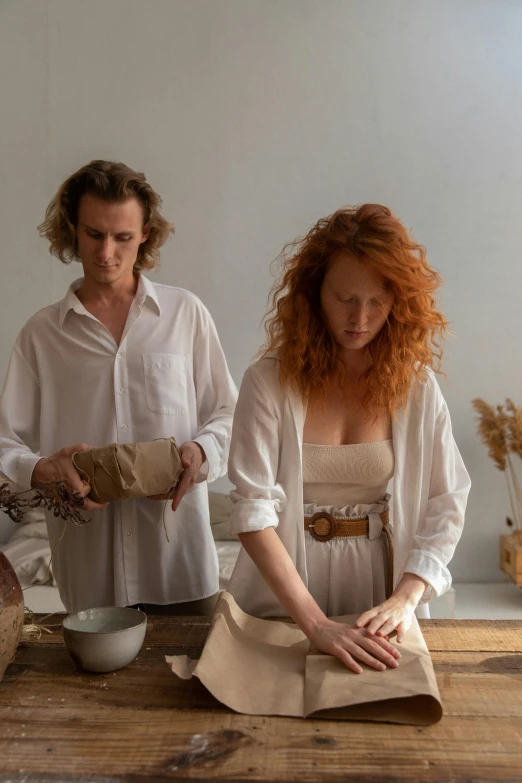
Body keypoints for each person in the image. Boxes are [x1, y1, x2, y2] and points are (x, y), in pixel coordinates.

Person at [227, 203, 470, 673]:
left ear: (397, 301)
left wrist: (405, 597)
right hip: (288, 591)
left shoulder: (416, 387)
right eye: (344, 298)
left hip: (378, 588)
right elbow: (253, 511)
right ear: (314, 294)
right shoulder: (268, 382)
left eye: (377, 301)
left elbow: (448, 497)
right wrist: (315, 625)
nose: (360, 317)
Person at [0, 160, 237, 614]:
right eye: (93, 234)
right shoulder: (42, 335)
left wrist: (202, 452)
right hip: (89, 577)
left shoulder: (185, 315)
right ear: (72, 229)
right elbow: (5, 439)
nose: (106, 251)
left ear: (146, 233)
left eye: (123, 237)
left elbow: (227, 413)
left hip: (180, 569)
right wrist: (40, 469)